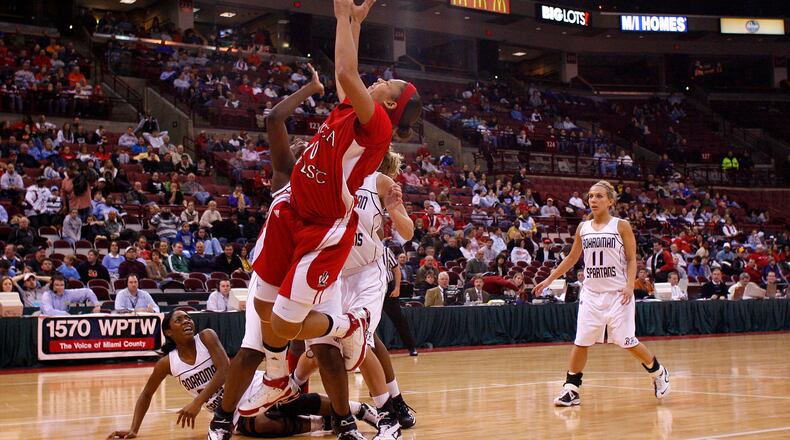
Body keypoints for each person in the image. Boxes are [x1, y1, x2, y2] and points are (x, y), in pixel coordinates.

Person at [244, 3, 422, 438]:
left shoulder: (376, 123)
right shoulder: (354, 113)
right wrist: (355, 23)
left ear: (392, 103)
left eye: (388, 83)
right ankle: (273, 376)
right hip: (300, 215)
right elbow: (350, 78)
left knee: (287, 326)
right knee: (265, 309)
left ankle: (350, 327)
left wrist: (343, 17)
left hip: (325, 228)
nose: (379, 79)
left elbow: (346, 72)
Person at [281, 151, 416, 438]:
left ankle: (389, 415)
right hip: (335, 272)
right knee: (323, 343)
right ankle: (290, 391)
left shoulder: (378, 181)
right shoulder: (328, 179)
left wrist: (392, 209)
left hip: (368, 271)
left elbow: (408, 231)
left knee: (359, 339)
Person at [108, 310, 374, 439]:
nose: (187, 321)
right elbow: (146, 394)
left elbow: (225, 371)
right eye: (179, 320)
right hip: (231, 409)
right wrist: (133, 429)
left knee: (285, 401)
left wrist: (197, 403)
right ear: (168, 332)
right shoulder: (168, 363)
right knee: (263, 426)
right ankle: (324, 424)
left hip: (250, 386)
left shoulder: (206, 337)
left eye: (188, 317)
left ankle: (354, 410)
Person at [533, 180, 671, 407]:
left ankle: (658, 372)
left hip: (618, 294)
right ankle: (571, 389)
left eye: (598, 196)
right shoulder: (583, 228)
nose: (593, 200)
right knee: (581, 341)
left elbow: (630, 258)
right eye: (590, 196)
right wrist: (549, 279)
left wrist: (629, 284)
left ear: (610, 201)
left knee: (627, 342)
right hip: (591, 294)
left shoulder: (621, 225)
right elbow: (571, 258)